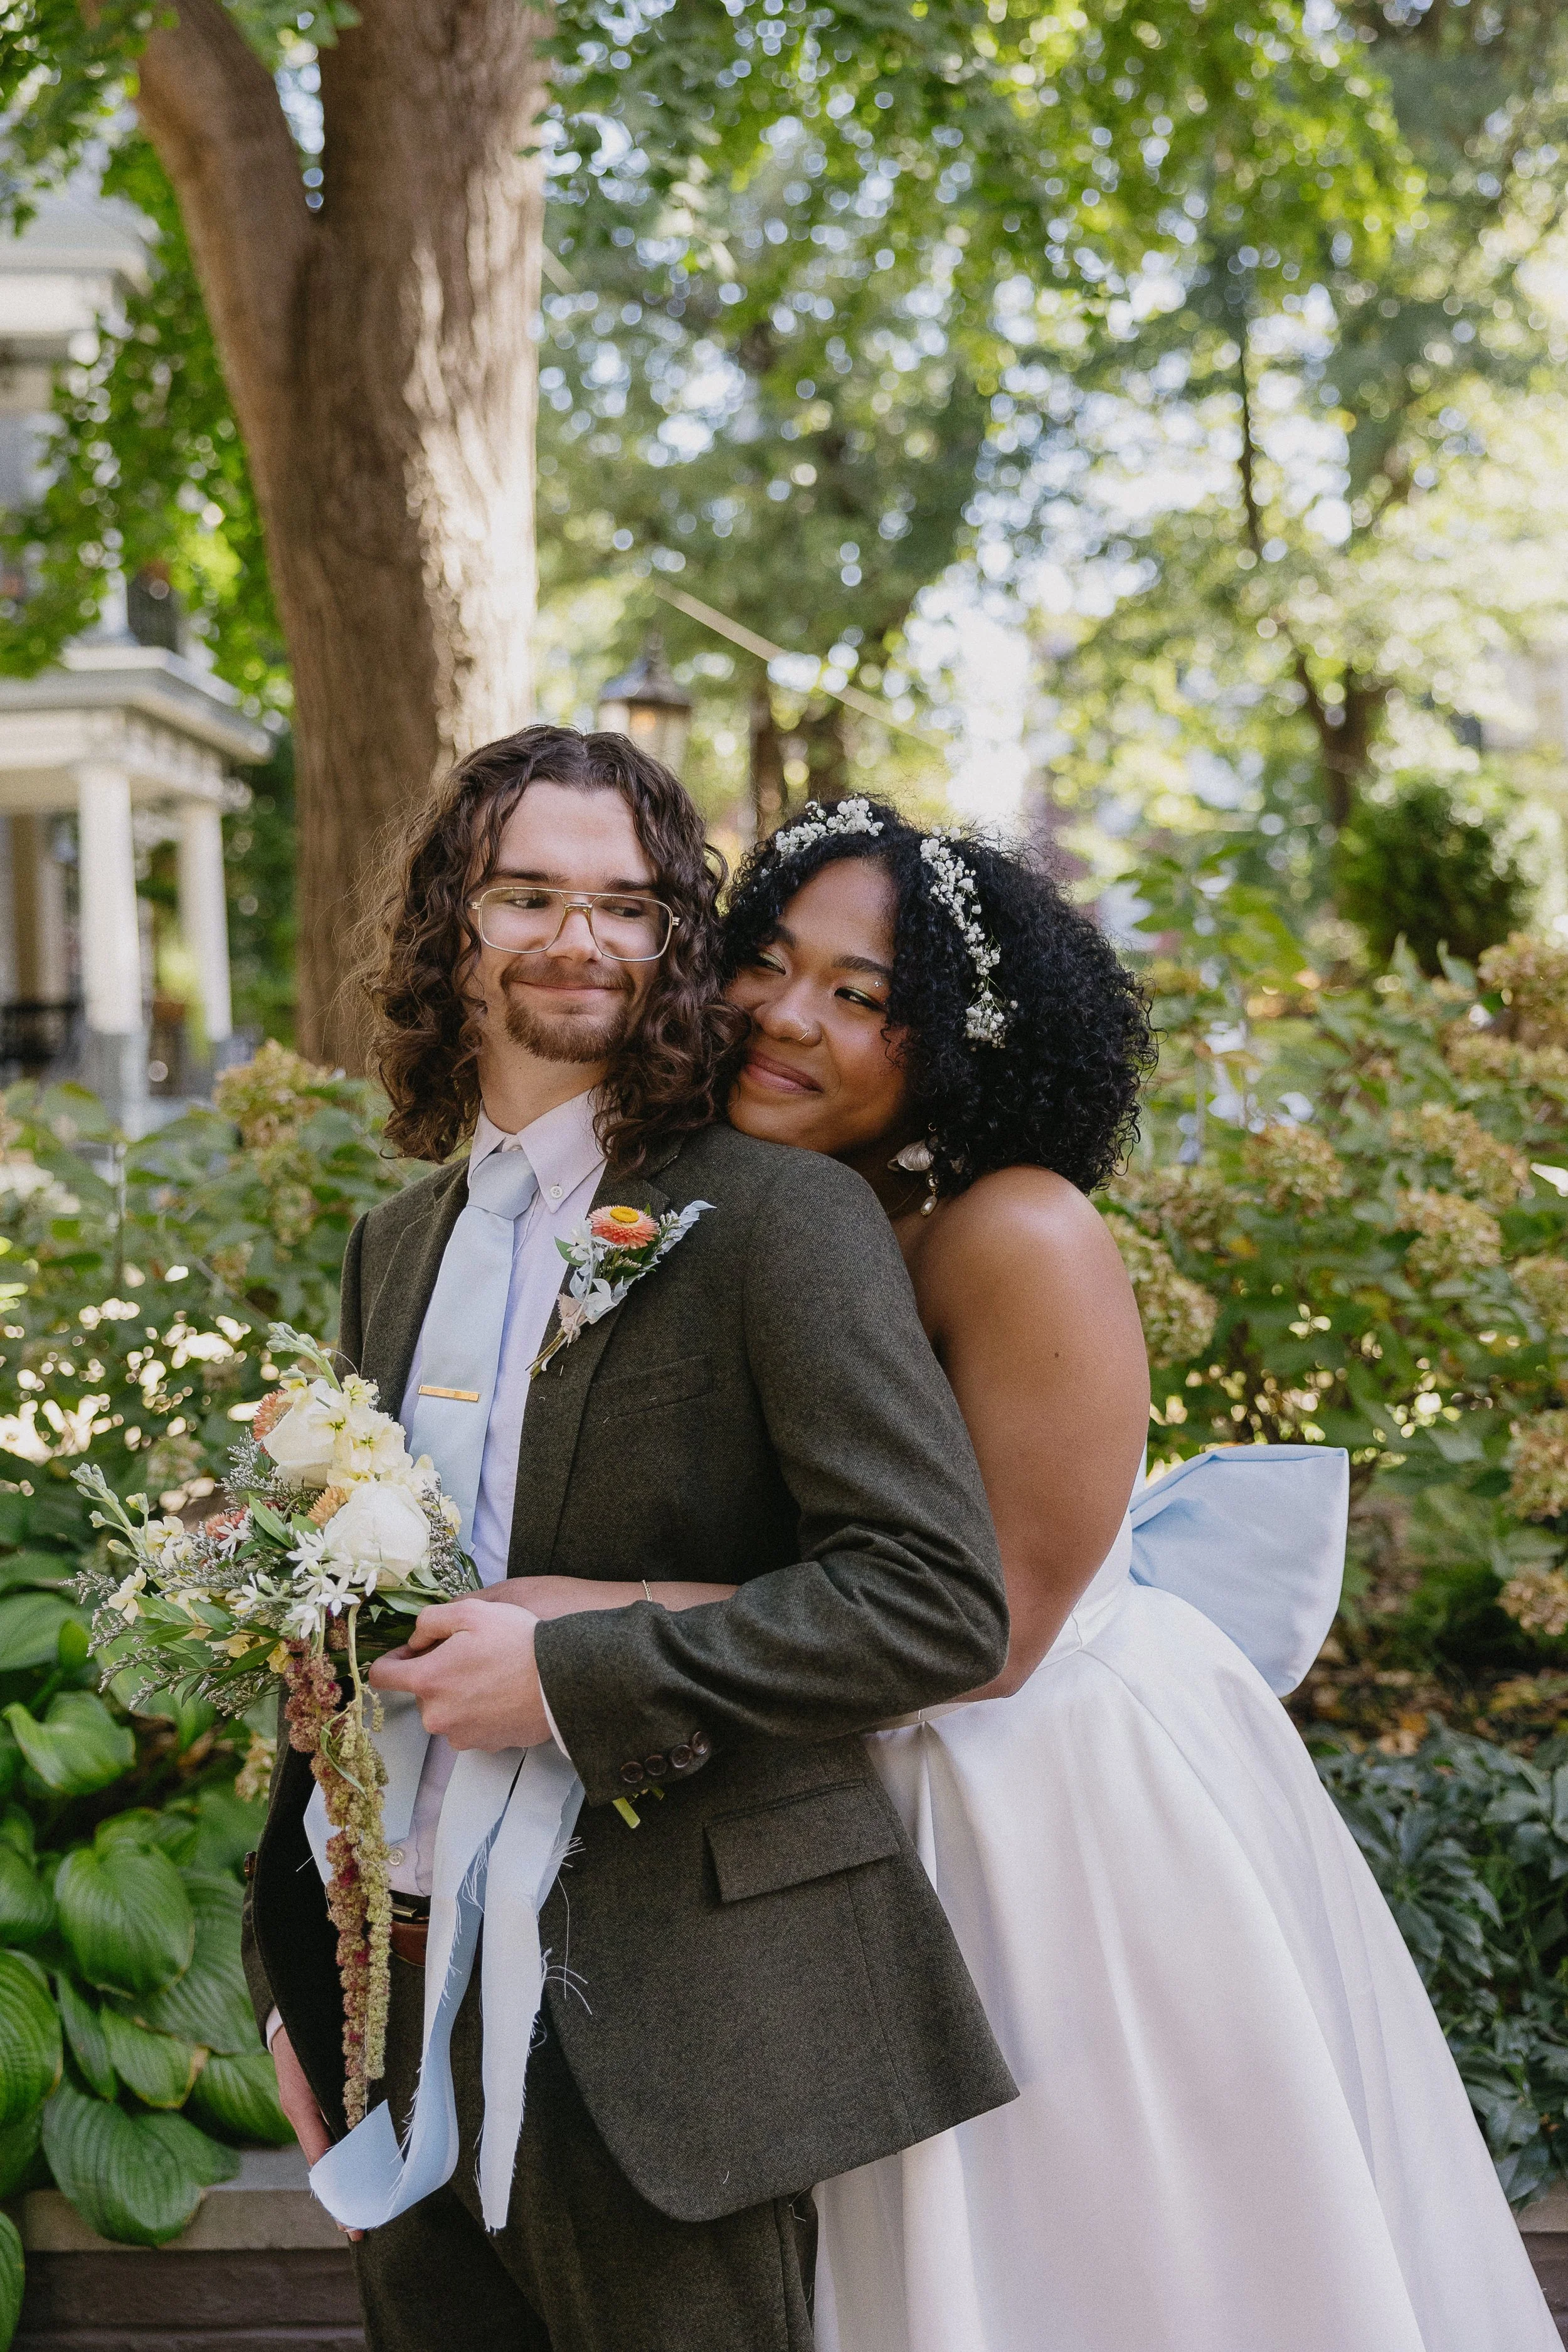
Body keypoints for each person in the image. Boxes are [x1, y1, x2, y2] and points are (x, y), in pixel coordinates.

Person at [513, 790, 1560, 2351]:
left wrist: (578, 1631)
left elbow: (988, 1632)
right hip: (830, 1773)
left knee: (1097, 2250)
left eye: (862, 998)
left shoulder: (1015, 1236)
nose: (783, 1015)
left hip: (1040, 1806)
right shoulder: (734, 1212)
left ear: (958, 1044)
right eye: (769, 960)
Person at [241, 732, 1017, 2352]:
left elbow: (934, 1603)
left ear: (676, 945)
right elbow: (348, 1621)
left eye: (630, 902)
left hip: (665, 2022)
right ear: (449, 925)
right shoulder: (398, 1243)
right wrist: (298, 1977)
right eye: (527, 892)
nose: (578, 936)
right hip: (397, 1993)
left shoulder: (777, 1221)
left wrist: (576, 1668)